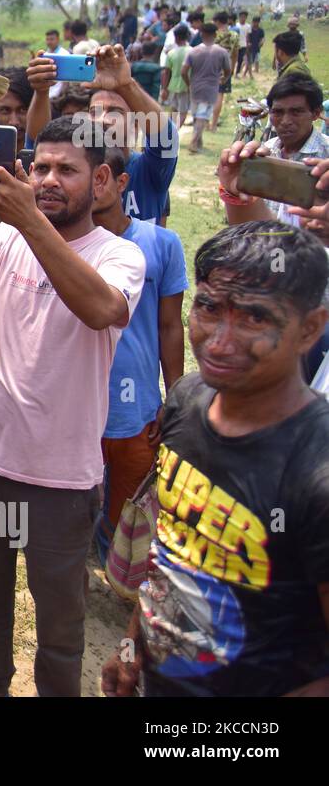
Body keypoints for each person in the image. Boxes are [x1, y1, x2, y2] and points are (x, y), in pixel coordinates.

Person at [0, 113, 146, 697]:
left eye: (65, 170)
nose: (47, 179)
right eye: (39, 165)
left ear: (99, 182)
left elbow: (99, 310)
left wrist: (25, 219)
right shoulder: (2, 238)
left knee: (59, 625)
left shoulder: (120, 256)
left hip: (62, 482)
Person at [102, 222, 329, 697]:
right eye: (208, 308)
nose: (220, 341)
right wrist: (130, 651)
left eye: (253, 318)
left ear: (311, 328)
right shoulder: (185, 401)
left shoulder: (316, 473)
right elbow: (169, 557)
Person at [91, 149, 187, 561]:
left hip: (138, 411)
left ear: (121, 183)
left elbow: (170, 325)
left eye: (102, 177)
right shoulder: (56, 246)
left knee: (127, 510)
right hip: (77, 409)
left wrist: (175, 398)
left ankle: (117, 568)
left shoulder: (161, 244)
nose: (92, 187)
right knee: (75, 506)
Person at [27, 43, 177, 224]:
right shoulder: (72, 173)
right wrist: (41, 91)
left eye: (116, 112)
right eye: (94, 112)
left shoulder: (149, 170)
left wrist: (126, 86)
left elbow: (166, 137)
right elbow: (40, 142)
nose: (103, 120)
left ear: (136, 124)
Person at [218, 75, 329, 227]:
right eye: (277, 112)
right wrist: (233, 193)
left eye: (296, 112)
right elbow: (244, 228)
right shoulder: (264, 152)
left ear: (316, 113)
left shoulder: (326, 157)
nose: (285, 121)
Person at [181, 23, 231, 154]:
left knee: (197, 115)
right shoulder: (221, 52)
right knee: (203, 115)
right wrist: (223, 80)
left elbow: (183, 71)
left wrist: (188, 84)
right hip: (211, 88)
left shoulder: (193, 51)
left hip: (195, 87)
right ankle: (194, 142)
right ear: (215, 35)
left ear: (202, 35)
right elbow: (228, 70)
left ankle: (199, 141)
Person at [212, 11, 240, 130]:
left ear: (217, 21)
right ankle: (213, 124)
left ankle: (204, 122)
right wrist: (232, 68)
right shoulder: (234, 35)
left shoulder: (214, 34)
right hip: (225, 68)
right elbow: (235, 54)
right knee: (219, 95)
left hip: (211, 67)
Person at [160, 25, 192, 127]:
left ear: (176, 38)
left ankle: (169, 131)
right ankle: (175, 132)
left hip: (172, 86)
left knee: (173, 110)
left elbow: (166, 72)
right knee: (183, 112)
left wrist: (164, 89)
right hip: (186, 85)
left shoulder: (171, 53)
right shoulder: (192, 51)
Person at [244, 15, 265, 80]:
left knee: (252, 61)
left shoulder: (261, 30)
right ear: (252, 22)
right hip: (249, 48)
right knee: (249, 61)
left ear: (258, 22)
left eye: (257, 22)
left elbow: (262, 38)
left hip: (256, 48)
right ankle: (248, 75)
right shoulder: (249, 29)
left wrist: (261, 42)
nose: (255, 23)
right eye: (254, 22)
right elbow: (247, 37)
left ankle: (244, 73)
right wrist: (248, 44)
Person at [234, 10, 251, 76]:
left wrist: (247, 45)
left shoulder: (248, 26)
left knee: (240, 60)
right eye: (242, 17)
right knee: (234, 59)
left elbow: (248, 36)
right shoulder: (236, 25)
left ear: (246, 18)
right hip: (236, 45)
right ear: (239, 17)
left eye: (244, 17)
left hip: (243, 45)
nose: (243, 18)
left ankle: (237, 73)